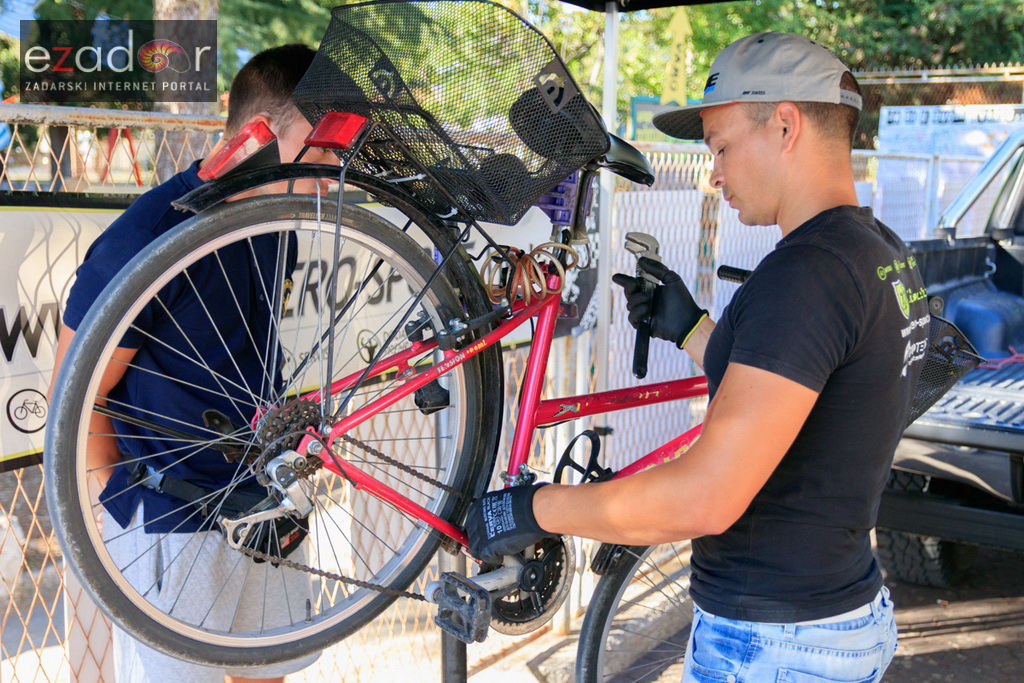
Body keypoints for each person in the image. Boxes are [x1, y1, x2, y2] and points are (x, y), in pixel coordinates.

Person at [467, 32, 931, 682]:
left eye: (720, 147)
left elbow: (704, 498)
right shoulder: (877, 251)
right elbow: (808, 395)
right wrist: (690, 328)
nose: (714, 173)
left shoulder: (808, 275)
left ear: (786, 125)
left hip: (776, 646)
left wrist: (532, 508)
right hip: (835, 611)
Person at [49, 44, 336, 683]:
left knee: (268, 673)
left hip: (264, 497)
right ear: (257, 135)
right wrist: (118, 499)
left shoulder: (273, 224)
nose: (332, 175)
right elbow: (73, 391)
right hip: (170, 519)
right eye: (319, 153)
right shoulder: (148, 237)